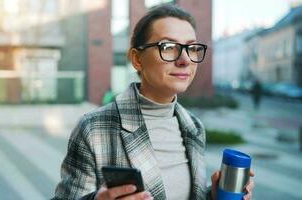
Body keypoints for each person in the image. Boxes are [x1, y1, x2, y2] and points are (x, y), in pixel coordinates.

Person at [52, 4, 254, 200]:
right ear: (137, 59)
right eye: (168, 47)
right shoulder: (94, 128)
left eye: (191, 48)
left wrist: (212, 196)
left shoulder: (194, 127)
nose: (184, 59)